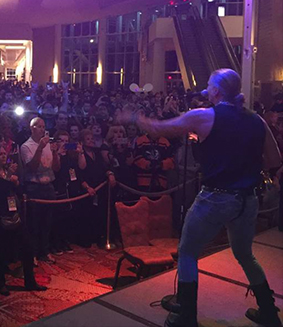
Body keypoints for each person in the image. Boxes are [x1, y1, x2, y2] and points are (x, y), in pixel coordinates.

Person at [119, 69, 282, 327]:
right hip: (247, 200)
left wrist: (136, 117)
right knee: (244, 254)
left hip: (216, 197)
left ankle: (186, 315)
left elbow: (162, 128)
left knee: (187, 252)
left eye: (209, 85)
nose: (206, 88)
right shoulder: (257, 120)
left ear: (216, 90)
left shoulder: (205, 117)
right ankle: (269, 312)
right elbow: (274, 160)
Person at [0, 144, 47, 295]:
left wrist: (15, 183)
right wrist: (9, 179)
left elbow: (17, 191)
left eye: (5, 153)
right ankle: (0, 283)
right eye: (0, 154)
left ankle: (30, 281)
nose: (4, 156)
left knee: (27, 248)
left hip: (14, 214)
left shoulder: (7, 171)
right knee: (0, 251)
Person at [20, 117, 60, 264]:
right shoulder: (26, 146)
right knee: (34, 223)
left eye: (44, 126)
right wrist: (40, 148)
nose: (42, 129)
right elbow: (32, 167)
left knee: (47, 222)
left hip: (48, 186)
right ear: (32, 128)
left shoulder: (48, 144)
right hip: (34, 188)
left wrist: (55, 153)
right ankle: (33, 254)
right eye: (39, 126)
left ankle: (45, 251)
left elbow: (56, 168)